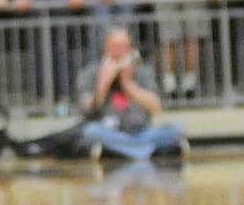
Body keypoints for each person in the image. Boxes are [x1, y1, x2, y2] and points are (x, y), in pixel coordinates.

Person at [78, 28, 187, 162]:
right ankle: (143, 151)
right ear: (106, 49)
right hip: (110, 132)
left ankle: (129, 150)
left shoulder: (143, 71)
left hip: (142, 132)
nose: (121, 51)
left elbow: (155, 107)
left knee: (177, 129)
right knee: (91, 131)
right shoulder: (91, 73)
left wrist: (128, 84)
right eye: (116, 47)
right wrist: (103, 83)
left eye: (125, 47)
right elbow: (86, 110)